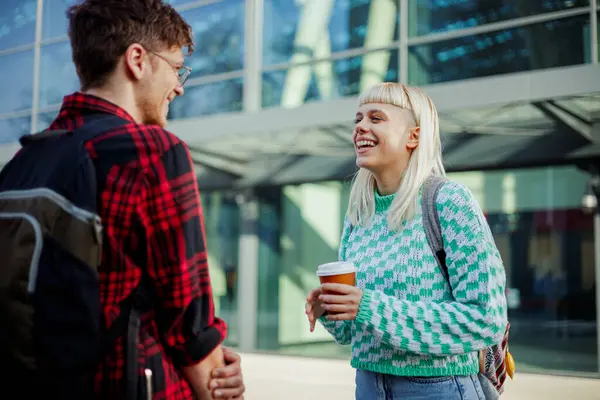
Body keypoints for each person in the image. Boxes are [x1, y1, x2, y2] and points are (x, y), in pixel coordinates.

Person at [45, 1, 245, 398]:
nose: (179, 85)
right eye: (175, 67)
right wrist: (218, 381)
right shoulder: (152, 151)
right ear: (137, 59)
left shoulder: (29, 159)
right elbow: (188, 316)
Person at [305, 82, 507, 399]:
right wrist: (331, 310)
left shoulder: (449, 201)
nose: (360, 127)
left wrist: (367, 305)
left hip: (439, 388)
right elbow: (349, 333)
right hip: (368, 384)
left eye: (375, 118)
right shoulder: (359, 215)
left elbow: (486, 319)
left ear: (413, 136)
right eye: (357, 119)